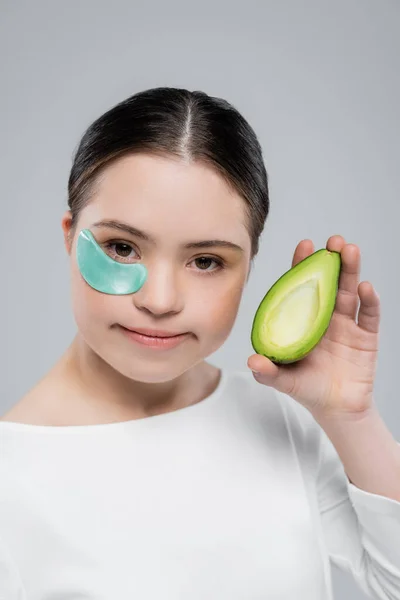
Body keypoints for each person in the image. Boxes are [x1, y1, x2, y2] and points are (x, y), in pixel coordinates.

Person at [0, 87, 399, 600]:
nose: (161, 300)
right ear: (69, 236)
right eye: (122, 248)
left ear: (250, 264)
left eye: (206, 260)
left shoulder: (282, 420)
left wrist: (352, 418)